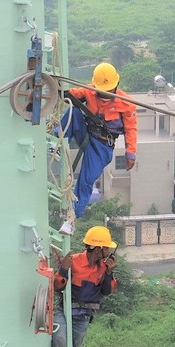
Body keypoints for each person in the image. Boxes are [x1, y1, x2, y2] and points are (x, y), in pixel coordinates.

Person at [57, 62, 137, 235]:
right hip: (86, 133)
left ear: (116, 85)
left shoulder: (126, 104)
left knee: (86, 181)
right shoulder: (90, 90)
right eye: (101, 90)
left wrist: (130, 153)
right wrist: (57, 89)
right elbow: (72, 95)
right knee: (74, 110)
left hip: (102, 146)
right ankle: (56, 142)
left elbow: (131, 130)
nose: (104, 94)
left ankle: (72, 218)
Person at [50, 226, 118, 347]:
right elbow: (58, 286)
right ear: (99, 248)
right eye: (107, 247)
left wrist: (109, 274)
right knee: (59, 340)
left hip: (83, 316)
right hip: (64, 310)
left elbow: (106, 291)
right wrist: (64, 270)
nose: (110, 251)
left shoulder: (103, 268)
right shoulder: (74, 261)